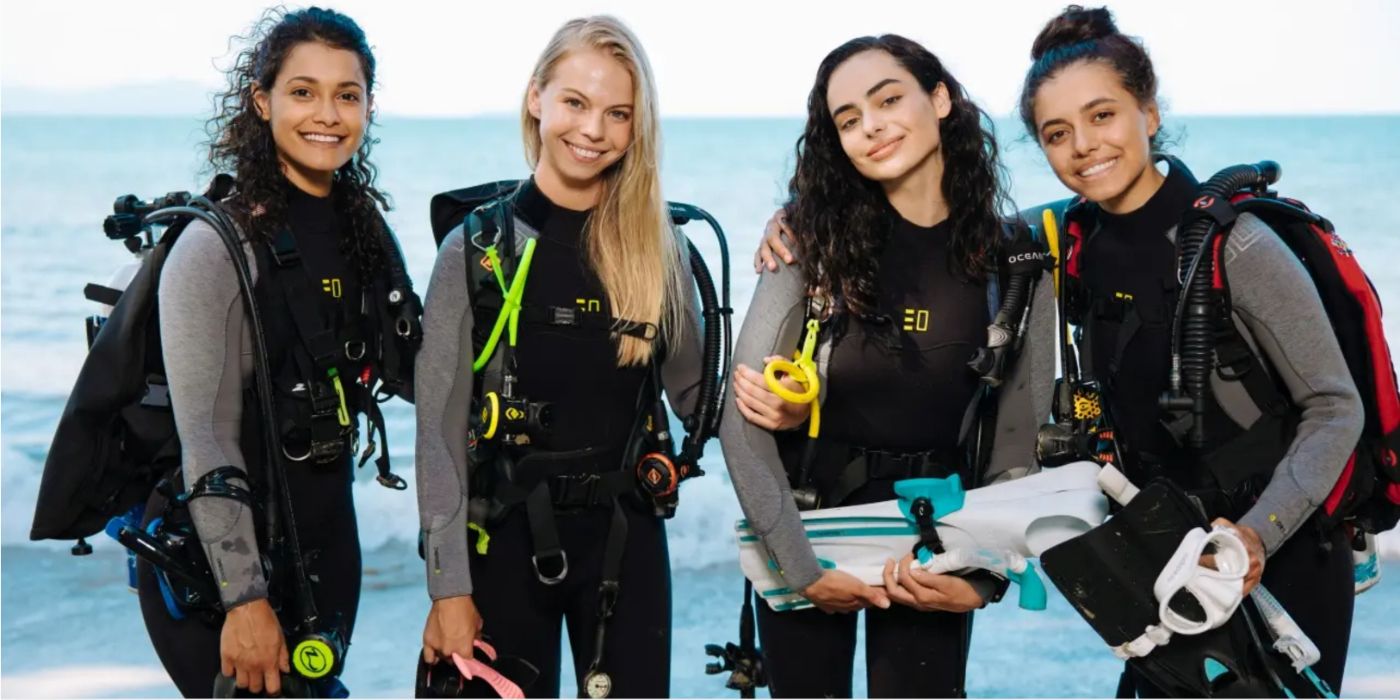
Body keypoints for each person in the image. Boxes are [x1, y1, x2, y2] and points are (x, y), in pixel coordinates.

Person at [1017, 6, 1359, 695]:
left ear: (1148, 113)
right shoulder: (1065, 243)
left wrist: (1255, 537)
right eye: (1058, 133)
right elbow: (932, 236)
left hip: (1277, 552)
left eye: (1103, 115)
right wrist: (800, 228)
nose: (1083, 145)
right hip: (1159, 551)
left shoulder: (1239, 244)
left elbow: (1334, 407)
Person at [720, 34, 1055, 698]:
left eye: (888, 99)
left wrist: (981, 578)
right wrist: (798, 567)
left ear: (941, 100)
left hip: (936, 545)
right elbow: (741, 419)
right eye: (848, 119)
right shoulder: (806, 243)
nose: (870, 127)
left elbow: (1018, 436)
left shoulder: (1014, 260)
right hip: (809, 529)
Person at [414, 15, 706, 698]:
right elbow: (438, 437)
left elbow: (700, 399)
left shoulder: (662, 253)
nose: (593, 129)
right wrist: (448, 588)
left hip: (625, 546)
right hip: (503, 544)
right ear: (536, 99)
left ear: (639, 128)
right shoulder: (474, 249)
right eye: (575, 102)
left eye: (618, 113)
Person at [137, 7, 417, 697]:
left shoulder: (363, 229)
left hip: (325, 539)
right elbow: (206, 435)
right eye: (303, 91)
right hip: (214, 559)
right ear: (262, 102)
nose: (327, 113)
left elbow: (418, 371)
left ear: (368, 107)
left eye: (346, 95)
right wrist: (244, 598)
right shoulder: (216, 247)